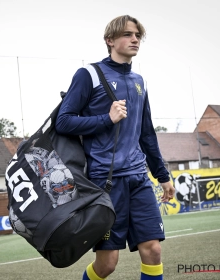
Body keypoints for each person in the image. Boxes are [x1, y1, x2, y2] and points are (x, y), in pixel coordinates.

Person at [55, 15, 175, 280]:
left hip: (138, 178)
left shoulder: (139, 81)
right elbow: (63, 121)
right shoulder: (89, 74)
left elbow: (147, 134)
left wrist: (162, 175)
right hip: (105, 182)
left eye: (138, 36)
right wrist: (105, 119)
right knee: (108, 263)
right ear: (110, 40)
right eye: (128, 35)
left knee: (153, 249)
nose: (135, 39)